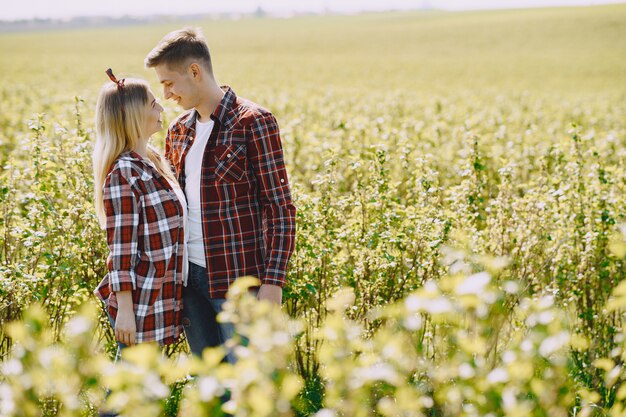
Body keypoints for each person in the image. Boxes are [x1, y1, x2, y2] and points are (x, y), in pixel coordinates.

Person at [144, 28, 296, 360]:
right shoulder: (178, 130)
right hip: (189, 281)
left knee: (251, 384)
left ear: (195, 72)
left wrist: (273, 283)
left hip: (239, 280)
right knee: (212, 384)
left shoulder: (253, 122)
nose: (167, 94)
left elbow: (280, 207)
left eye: (169, 83)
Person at [92, 69, 188, 353]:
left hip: (161, 294)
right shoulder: (125, 172)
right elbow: (121, 249)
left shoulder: (154, 160)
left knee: (144, 387)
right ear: (134, 115)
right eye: (152, 103)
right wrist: (125, 311)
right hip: (140, 300)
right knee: (130, 389)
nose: (160, 107)